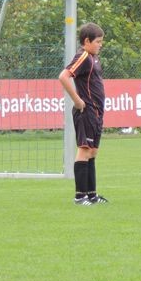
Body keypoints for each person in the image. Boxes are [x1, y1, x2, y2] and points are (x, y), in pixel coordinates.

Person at [58, 22, 108, 205]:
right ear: (87, 41)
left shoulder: (94, 58)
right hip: (86, 111)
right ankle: (80, 196)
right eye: (98, 41)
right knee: (84, 150)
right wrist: (78, 101)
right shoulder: (84, 56)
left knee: (93, 152)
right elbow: (63, 76)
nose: (100, 45)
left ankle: (92, 195)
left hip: (96, 112)